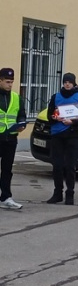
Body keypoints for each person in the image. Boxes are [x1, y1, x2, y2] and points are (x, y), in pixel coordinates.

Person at [46, 73, 78, 205]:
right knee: (57, 165)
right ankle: (57, 193)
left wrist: (73, 122)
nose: (67, 84)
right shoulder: (56, 97)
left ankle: (70, 194)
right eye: (65, 82)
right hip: (57, 135)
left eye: (69, 82)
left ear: (74, 83)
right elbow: (50, 115)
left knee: (70, 165)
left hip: (72, 135)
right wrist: (54, 118)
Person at [0, 68, 26, 210]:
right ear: (0, 81)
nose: (10, 85)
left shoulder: (16, 97)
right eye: (7, 82)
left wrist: (21, 124)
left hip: (10, 138)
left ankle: (6, 197)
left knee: (7, 169)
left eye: (12, 82)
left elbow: (21, 114)